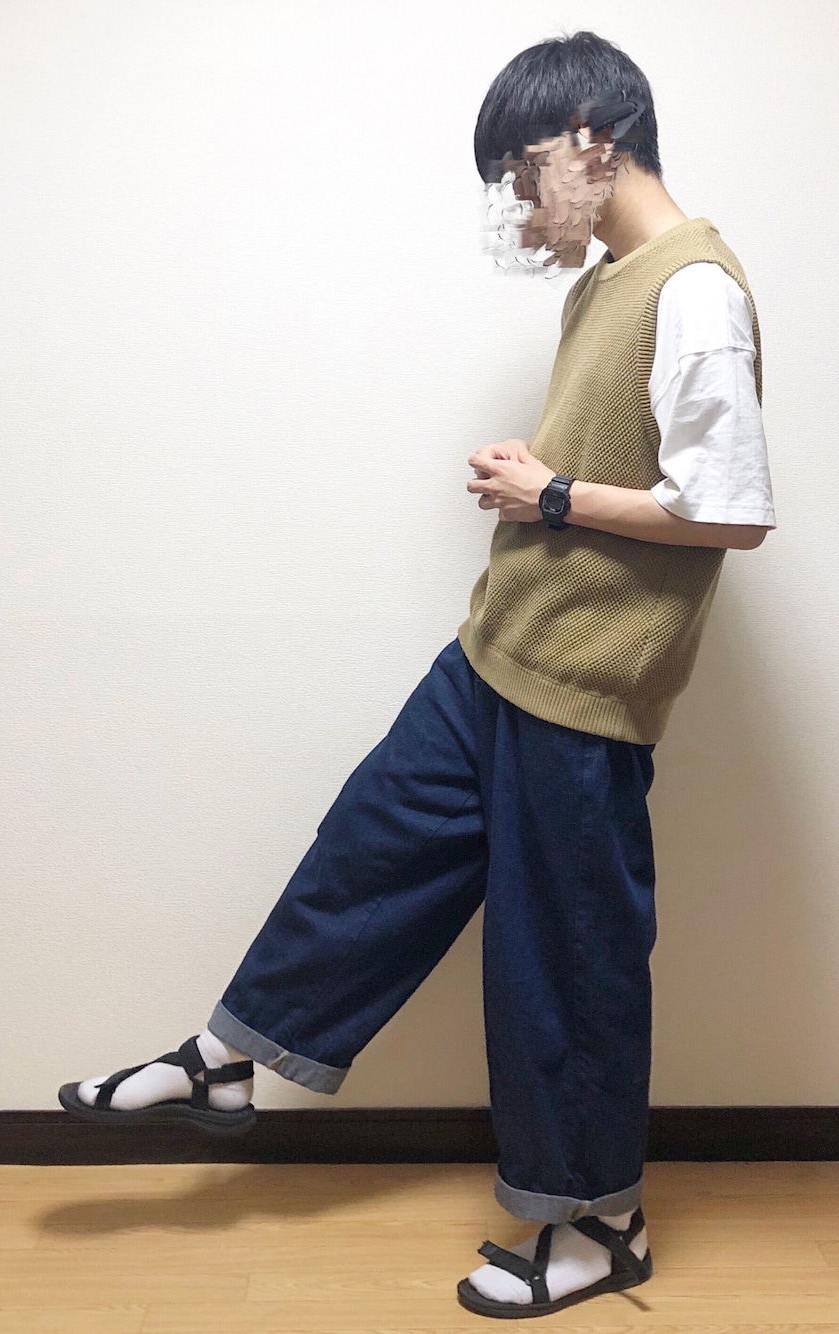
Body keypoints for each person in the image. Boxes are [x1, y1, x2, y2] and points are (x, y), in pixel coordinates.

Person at [58, 30, 776, 1319]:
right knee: (372, 845)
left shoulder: (696, 292)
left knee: (564, 957)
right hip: (501, 651)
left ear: (596, 142)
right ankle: (228, 1057)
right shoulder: (607, 286)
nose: (520, 206)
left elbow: (730, 511)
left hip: (585, 691)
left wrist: (549, 492)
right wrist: (551, 494)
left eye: (525, 172)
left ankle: (600, 1223)